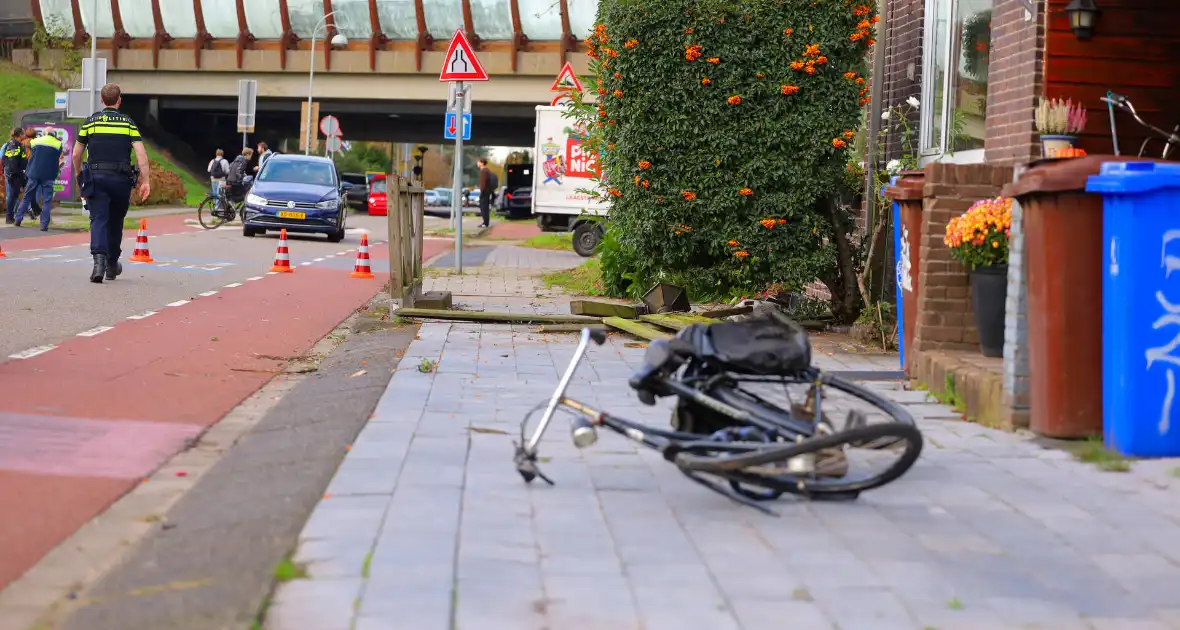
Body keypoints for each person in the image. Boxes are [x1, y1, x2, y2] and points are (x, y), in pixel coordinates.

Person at [72, 83, 150, 284]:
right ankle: (112, 265)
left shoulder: (91, 122)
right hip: (120, 180)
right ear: (119, 100)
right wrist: (145, 180)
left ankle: (98, 263)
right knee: (115, 222)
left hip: (96, 179)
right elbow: (141, 154)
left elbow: (76, 153)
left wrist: (78, 173)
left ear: (101, 100)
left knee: (98, 219)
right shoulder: (128, 123)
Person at [15, 126, 64, 231]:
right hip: (49, 175)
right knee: (47, 200)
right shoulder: (58, 144)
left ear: (44, 133)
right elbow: (57, 156)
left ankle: (18, 219)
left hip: (34, 173)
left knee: (27, 196)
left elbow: (30, 148)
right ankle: (44, 225)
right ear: (54, 134)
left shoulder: (36, 141)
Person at [2, 128, 27, 224]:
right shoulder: (18, 146)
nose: (24, 135)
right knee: (12, 195)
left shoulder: (8, 145)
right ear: (20, 135)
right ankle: (9, 217)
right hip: (15, 174)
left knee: (13, 195)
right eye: (23, 133)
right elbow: (17, 161)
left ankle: (11, 216)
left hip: (11, 173)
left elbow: (2, 158)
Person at [477, 158, 498, 229]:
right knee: (485, 207)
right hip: (488, 191)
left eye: (478, 162)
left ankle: (485, 223)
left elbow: (483, 183)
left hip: (485, 192)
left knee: (483, 208)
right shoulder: (488, 170)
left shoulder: (483, 171)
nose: (477, 163)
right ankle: (485, 222)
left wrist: (482, 192)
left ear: (482, 163)